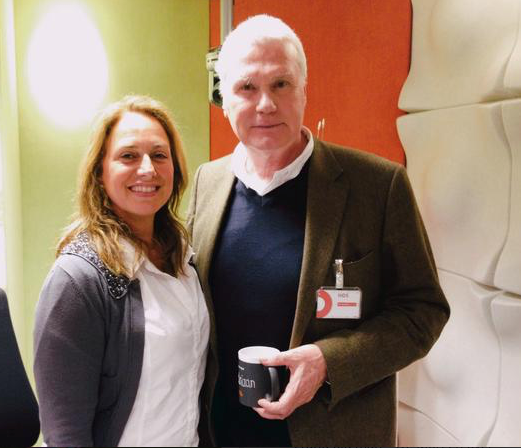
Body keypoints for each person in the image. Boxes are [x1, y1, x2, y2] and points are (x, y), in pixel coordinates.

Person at [187, 14, 450, 447]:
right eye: (247, 87)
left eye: (281, 84)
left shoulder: (378, 186)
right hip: (223, 432)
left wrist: (329, 362)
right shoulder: (205, 183)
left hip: (334, 432)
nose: (265, 104)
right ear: (225, 98)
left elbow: (423, 312)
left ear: (304, 91)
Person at [33, 94, 209, 447]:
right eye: (128, 156)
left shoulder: (182, 254)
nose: (147, 169)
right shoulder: (77, 281)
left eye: (159, 155)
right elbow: (65, 433)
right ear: (100, 172)